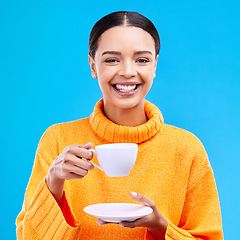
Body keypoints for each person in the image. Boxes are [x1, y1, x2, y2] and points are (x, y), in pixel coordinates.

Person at [16, 11, 223, 239]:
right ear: (93, 66)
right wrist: (53, 182)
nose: (127, 72)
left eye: (142, 60)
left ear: (154, 66)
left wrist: (160, 226)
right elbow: (28, 236)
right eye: (112, 59)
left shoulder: (186, 148)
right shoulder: (58, 141)